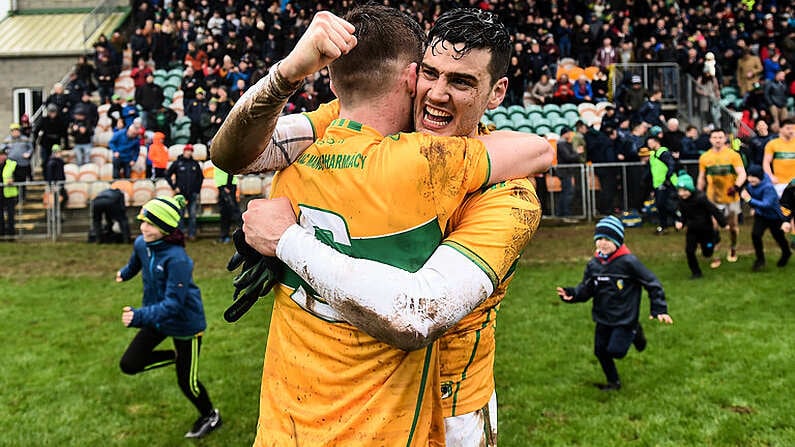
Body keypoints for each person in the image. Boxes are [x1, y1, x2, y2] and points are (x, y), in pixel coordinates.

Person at [212, 7, 549, 446]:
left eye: (462, 82)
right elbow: (238, 153)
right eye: (431, 73)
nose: (438, 95)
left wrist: (287, 241)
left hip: (452, 407)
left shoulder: (509, 197)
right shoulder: (354, 123)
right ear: (411, 76)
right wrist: (285, 75)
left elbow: (420, 313)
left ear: (497, 92)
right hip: (349, 400)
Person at [116, 195, 221, 439]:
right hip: (158, 317)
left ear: (165, 228)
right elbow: (136, 263)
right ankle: (176, 357)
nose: (143, 227)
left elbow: (174, 304)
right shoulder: (142, 243)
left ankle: (210, 416)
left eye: (150, 224)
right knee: (129, 364)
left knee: (187, 383)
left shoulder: (178, 259)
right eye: (143, 221)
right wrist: (125, 273)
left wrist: (138, 316)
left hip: (185, 325)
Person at [556, 216, 673, 391]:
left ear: (617, 241)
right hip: (602, 316)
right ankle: (613, 383)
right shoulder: (594, 264)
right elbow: (587, 288)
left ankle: (635, 332)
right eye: (599, 239)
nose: (603, 243)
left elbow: (652, 283)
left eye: (608, 240)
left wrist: (659, 309)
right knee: (600, 351)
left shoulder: (629, 262)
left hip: (625, 318)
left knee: (616, 351)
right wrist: (572, 294)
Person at [697, 128, 747, 265]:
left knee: (733, 227)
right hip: (712, 198)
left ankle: (733, 248)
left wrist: (736, 187)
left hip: (730, 197)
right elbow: (701, 178)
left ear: (725, 139)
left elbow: (742, 174)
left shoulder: (733, 155)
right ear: (710, 140)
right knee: (714, 227)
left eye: (720, 137)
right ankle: (716, 255)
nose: (718, 140)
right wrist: (698, 193)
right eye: (714, 137)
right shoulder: (705, 157)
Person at [673, 173, 728, 278]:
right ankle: (696, 272)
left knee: (707, 251)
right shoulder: (681, 201)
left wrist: (723, 223)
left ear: (691, 189)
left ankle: (714, 239)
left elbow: (714, 210)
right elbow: (683, 214)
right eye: (680, 191)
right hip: (692, 229)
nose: (682, 194)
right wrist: (681, 222)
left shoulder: (701, 198)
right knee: (689, 251)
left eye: (685, 191)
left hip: (706, 229)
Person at [740, 165, 791, 271]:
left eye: (753, 177)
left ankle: (786, 252)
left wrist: (749, 200)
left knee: (778, 237)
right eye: (749, 176)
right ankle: (760, 259)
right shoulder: (751, 184)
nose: (750, 179)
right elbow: (754, 197)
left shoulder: (768, 187)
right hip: (761, 215)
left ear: (760, 177)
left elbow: (766, 204)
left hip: (774, 217)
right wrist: (753, 206)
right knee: (756, 235)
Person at [165, 144, 203, 241]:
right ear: (184, 151)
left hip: (192, 194)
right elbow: (167, 175)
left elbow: (200, 177)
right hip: (180, 194)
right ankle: (180, 235)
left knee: (192, 215)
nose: (189, 152)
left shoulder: (195, 164)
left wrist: (197, 189)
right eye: (187, 150)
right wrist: (174, 187)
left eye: (190, 151)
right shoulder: (178, 163)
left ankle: (192, 234)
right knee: (180, 215)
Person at [647, 135, 679, 234]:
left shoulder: (663, 153)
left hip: (666, 183)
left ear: (657, 142)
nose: (649, 145)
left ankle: (677, 220)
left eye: (651, 142)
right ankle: (666, 224)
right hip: (657, 184)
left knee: (665, 205)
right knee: (661, 206)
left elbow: (671, 165)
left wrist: (667, 179)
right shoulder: (652, 154)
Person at [762, 117, 795, 195]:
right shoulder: (772, 144)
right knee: (781, 206)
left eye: (793, 128)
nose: (791, 131)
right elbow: (766, 162)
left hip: (794, 183)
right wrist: (770, 176)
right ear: (780, 129)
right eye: (788, 128)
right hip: (780, 183)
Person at [556, 126, 581, 217]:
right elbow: (568, 157)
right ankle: (566, 213)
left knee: (565, 192)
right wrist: (577, 153)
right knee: (568, 192)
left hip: (566, 171)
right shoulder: (561, 144)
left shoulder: (564, 144)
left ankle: (561, 213)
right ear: (565, 133)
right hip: (565, 172)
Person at [214, 166, 241, 244]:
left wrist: (228, 186)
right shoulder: (218, 158)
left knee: (235, 212)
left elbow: (230, 169)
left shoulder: (223, 157)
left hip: (228, 187)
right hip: (223, 187)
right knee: (225, 213)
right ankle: (224, 236)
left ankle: (246, 235)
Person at [5, 123, 34, 190]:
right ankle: (15, 197)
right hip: (11, 164)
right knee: (12, 180)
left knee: (22, 180)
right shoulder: (7, 140)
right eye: (13, 131)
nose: (15, 132)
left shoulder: (25, 139)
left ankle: (22, 196)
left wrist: (28, 153)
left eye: (17, 130)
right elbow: (2, 149)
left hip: (22, 164)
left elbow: (31, 148)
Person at [0, 146, 18, 237]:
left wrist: (13, 180)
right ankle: (1, 235)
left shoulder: (12, 164)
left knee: (10, 216)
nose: (2, 157)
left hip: (9, 194)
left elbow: (19, 176)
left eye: (4, 154)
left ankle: (11, 235)